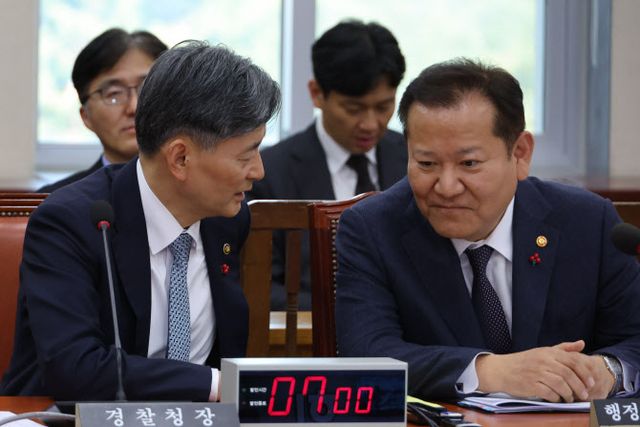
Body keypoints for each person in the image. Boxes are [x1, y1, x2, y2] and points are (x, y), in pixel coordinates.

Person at [335, 58, 640, 402]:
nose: (446, 187)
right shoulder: (373, 229)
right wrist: (489, 372)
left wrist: (609, 372)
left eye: (469, 164)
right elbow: (366, 355)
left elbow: (634, 337)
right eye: (426, 163)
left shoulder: (587, 222)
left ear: (520, 154)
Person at [1, 41, 280, 401]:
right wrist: (215, 385)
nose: (258, 171)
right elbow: (75, 367)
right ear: (180, 158)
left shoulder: (226, 218)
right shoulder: (72, 223)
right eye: (245, 156)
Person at [248, 20, 407, 310]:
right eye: (354, 109)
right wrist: (353, 310)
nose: (370, 124)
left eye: (384, 107)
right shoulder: (268, 173)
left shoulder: (415, 161)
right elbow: (260, 287)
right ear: (316, 93)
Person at [37, 28, 167, 193]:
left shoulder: (199, 194)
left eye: (147, 89)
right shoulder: (55, 201)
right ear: (86, 117)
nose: (134, 107)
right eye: (114, 94)